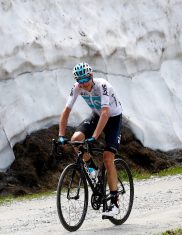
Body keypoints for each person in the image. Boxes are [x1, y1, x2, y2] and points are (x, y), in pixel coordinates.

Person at [58, 62, 123, 217]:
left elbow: (106, 113)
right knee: (76, 140)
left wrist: (94, 137)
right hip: (96, 116)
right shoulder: (77, 88)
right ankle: (92, 168)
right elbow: (66, 111)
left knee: (108, 159)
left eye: (85, 79)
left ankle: (114, 203)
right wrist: (61, 134)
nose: (83, 83)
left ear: (91, 76)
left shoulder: (103, 86)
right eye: (79, 80)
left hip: (112, 118)